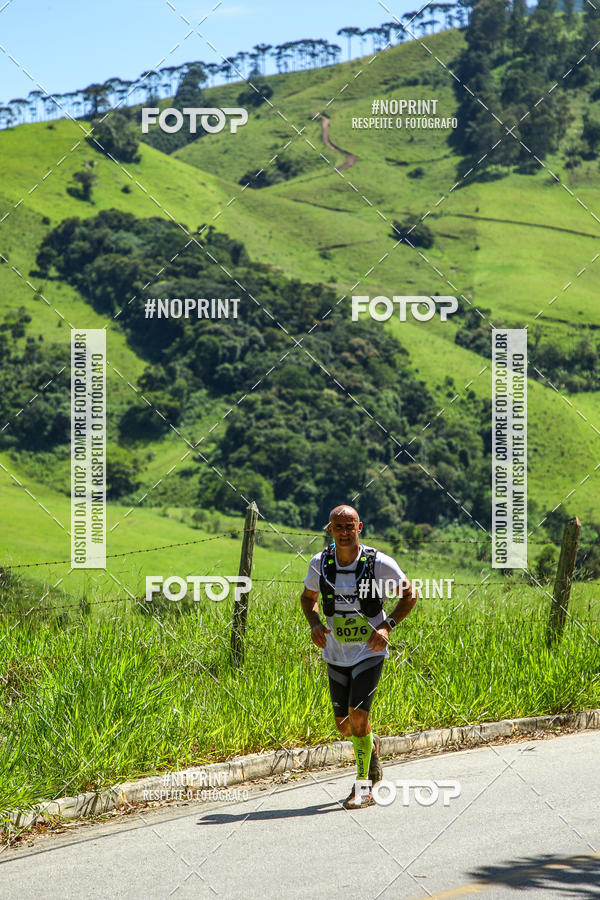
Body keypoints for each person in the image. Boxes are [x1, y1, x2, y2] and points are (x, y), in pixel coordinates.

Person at [301, 504, 418, 809]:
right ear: (330, 530)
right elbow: (307, 598)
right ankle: (372, 745)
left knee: (358, 717)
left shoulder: (379, 563)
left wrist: (387, 626)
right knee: (345, 726)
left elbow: (410, 595)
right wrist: (314, 623)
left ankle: (363, 788)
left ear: (360, 527)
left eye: (349, 526)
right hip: (335, 652)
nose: (344, 532)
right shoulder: (320, 563)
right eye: (338, 527)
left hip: (369, 650)